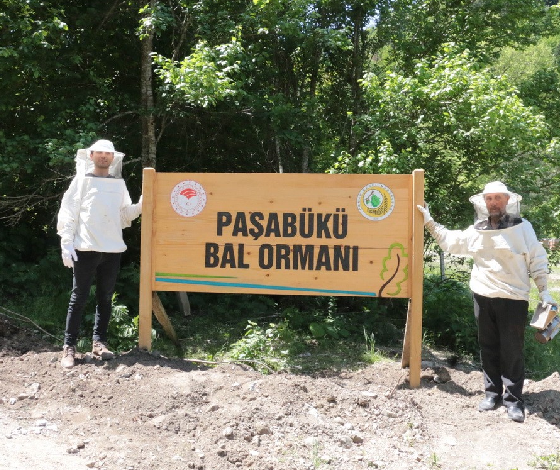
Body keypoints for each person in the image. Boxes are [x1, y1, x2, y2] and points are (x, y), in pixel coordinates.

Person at [418, 181, 556, 423]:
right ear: (484, 202)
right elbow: (450, 241)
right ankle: (492, 395)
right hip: (483, 296)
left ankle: (514, 400)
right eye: (489, 198)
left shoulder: (523, 229)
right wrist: (429, 221)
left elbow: (537, 259)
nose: (493, 202)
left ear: (508, 200)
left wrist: (544, 291)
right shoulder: (477, 230)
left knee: (512, 350)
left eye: (498, 198)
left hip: (514, 298)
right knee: (488, 346)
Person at [57, 139, 142, 368]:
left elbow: (124, 216)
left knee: (105, 298)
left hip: (112, 249)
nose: (104, 157)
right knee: (78, 298)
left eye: (108, 154)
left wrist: (144, 203)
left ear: (113, 158)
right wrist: (66, 243)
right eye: (100, 153)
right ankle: (69, 348)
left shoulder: (119, 184)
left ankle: (99, 343)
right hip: (85, 249)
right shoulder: (81, 181)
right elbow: (69, 212)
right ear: (91, 155)